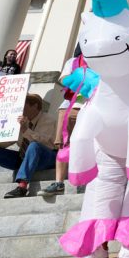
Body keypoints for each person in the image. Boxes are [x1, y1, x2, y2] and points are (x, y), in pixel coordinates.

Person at [41, 51, 86, 196]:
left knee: (89, 143)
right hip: (69, 105)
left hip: (91, 106)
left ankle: (84, 180)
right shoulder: (73, 61)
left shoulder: (104, 58)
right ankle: (59, 183)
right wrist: (81, 79)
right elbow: (63, 78)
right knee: (64, 145)